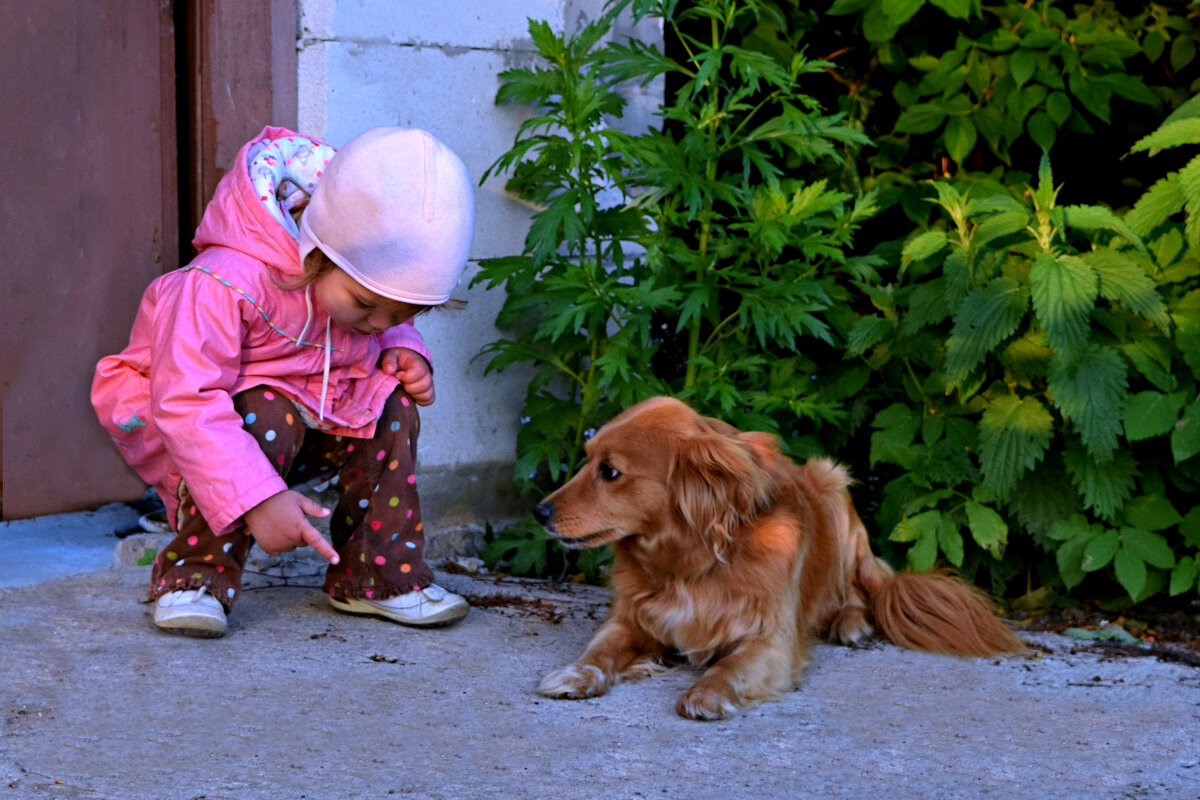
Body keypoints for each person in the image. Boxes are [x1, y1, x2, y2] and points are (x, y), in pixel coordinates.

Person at [92, 125, 475, 637]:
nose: (381, 322)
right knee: (264, 409)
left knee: (392, 405)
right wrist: (259, 499)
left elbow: (383, 319)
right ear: (316, 251)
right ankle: (196, 575)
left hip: (309, 417)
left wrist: (404, 348)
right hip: (204, 431)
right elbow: (187, 401)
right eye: (366, 305)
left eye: (405, 312)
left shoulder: (364, 295)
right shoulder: (224, 282)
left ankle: (377, 576)